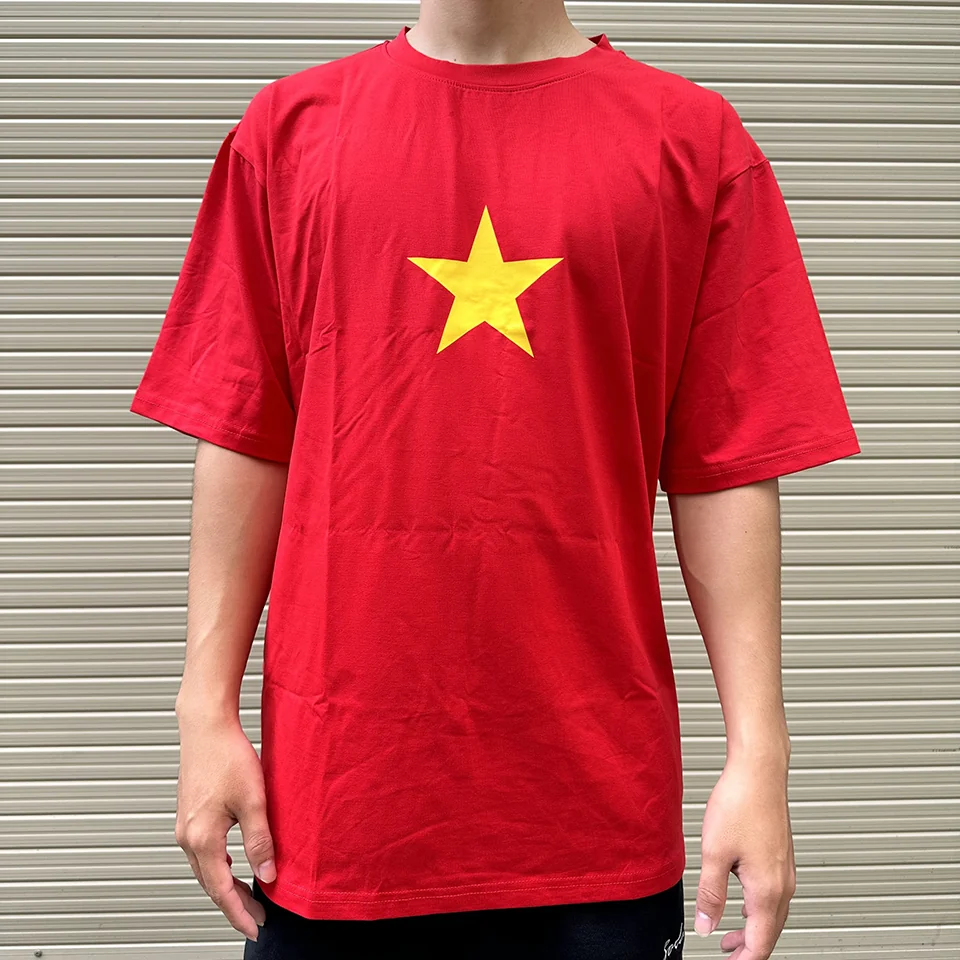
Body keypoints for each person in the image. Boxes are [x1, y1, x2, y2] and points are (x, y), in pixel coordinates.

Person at [129, 2, 862, 958]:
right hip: (339, 813)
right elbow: (245, 432)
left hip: (595, 821)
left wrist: (760, 754)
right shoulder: (288, 133)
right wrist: (204, 712)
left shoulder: (691, 142)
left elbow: (727, 464)